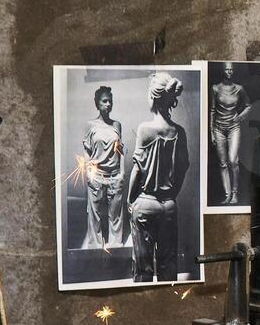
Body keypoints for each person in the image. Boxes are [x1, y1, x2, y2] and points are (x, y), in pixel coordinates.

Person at [128, 72, 189, 282]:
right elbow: (183, 170)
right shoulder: (179, 131)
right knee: (168, 265)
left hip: (146, 203)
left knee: (143, 268)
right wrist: (171, 195)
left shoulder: (145, 129)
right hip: (169, 206)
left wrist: (130, 199)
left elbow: (137, 170)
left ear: (153, 97)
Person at [80, 85, 126, 248]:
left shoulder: (117, 125)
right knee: (95, 217)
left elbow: (120, 151)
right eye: (104, 101)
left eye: (110, 101)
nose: (108, 104)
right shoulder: (90, 125)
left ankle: (115, 246)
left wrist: (122, 173)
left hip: (114, 176)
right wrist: (89, 175)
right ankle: (95, 247)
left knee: (116, 218)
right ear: (97, 103)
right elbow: (87, 151)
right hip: (96, 175)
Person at [209, 62, 251, 205]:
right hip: (218, 128)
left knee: (233, 160)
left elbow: (248, 106)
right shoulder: (215, 88)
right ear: (222, 71)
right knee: (222, 164)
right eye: (226, 69)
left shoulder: (239, 89)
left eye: (231, 70)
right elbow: (212, 110)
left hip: (234, 127)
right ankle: (227, 195)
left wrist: (239, 116)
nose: (229, 72)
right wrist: (211, 133)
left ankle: (235, 194)